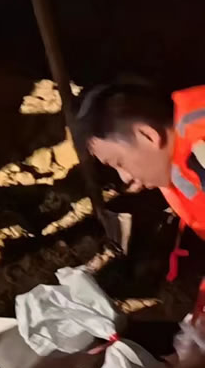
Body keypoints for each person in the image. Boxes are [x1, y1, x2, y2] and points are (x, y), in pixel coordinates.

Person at [76, 81, 205, 287]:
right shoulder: (182, 165)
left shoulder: (200, 155)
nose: (124, 178)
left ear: (148, 136)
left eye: (119, 163)